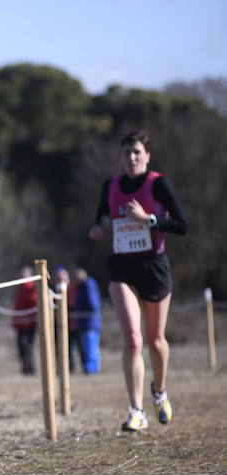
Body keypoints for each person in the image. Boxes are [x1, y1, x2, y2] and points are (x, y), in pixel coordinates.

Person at [88, 131, 187, 432]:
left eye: (136, 152)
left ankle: (159, 391)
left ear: (147, 156)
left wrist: (149, 220)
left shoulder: (158, 184)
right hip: (122, 268)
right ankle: (136, 410)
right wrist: (100, 227)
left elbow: (183, 225)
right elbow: (102, 216)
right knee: (133, 338)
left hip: (154, 267)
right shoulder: (112, 186)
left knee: (155, 341)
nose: (131, 158)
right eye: (127, 153)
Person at [73, 268, 102, 374]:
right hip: (85, 322)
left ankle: (92, 368)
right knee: (88, 347)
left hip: (90, 323)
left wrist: (87, 312)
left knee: (91, 347)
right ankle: (90, 367)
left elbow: (92, 304)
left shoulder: (88, 285)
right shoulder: (81, 287)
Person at [11, 265, 38, 375]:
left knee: (26, 345)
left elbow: (34, 303)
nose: (22, 275)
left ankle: (29, 368)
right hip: (20, 323)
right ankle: (25, 367)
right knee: (21, 347)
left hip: (29, 323)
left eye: (25, 273)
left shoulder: (32, 288)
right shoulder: (20, 288)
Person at [52, 265, 78, 373]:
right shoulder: (53, 289)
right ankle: (60, 367)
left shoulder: (72, 289)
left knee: (69, 346)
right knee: (58, 346)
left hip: (71, 322)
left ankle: (70, 367)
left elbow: (73, 303)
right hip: (56, 322)